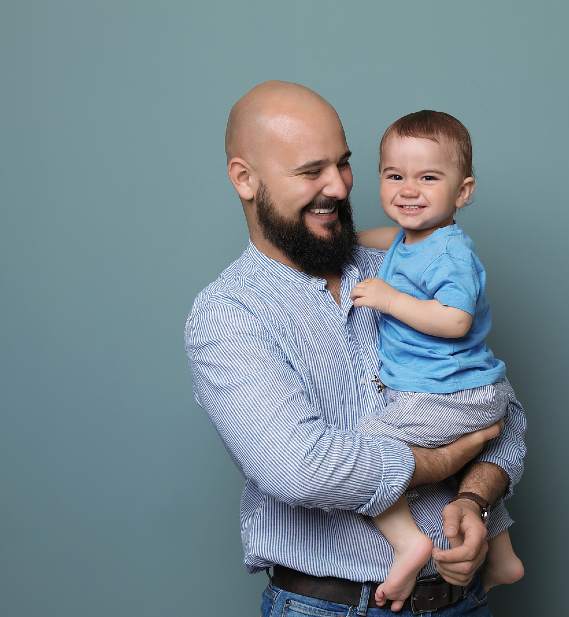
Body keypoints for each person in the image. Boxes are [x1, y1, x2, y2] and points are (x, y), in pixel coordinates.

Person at [184, 81, 527, 617]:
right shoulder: (229, 314)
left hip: (464, 601)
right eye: (310, 171)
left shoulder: (400, 265)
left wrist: (474, 500)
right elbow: (303, 469)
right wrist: (444, 460)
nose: (341, 188)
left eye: (343, 164)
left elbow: (500, 412)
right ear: (245, 179)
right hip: (336, 608)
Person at [351, 110, 525, 610]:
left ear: (463, 192)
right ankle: (502, 554)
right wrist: (355, 240)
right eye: (394, 176)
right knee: (460, 473)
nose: (409, 189)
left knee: (368, 454)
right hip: (469, 390)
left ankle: (409, 541)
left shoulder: (452, 254)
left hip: (447, 394)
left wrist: (389, 300)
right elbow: (392, 242)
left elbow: (455, 321)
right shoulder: (414, 239)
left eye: (429, 177)